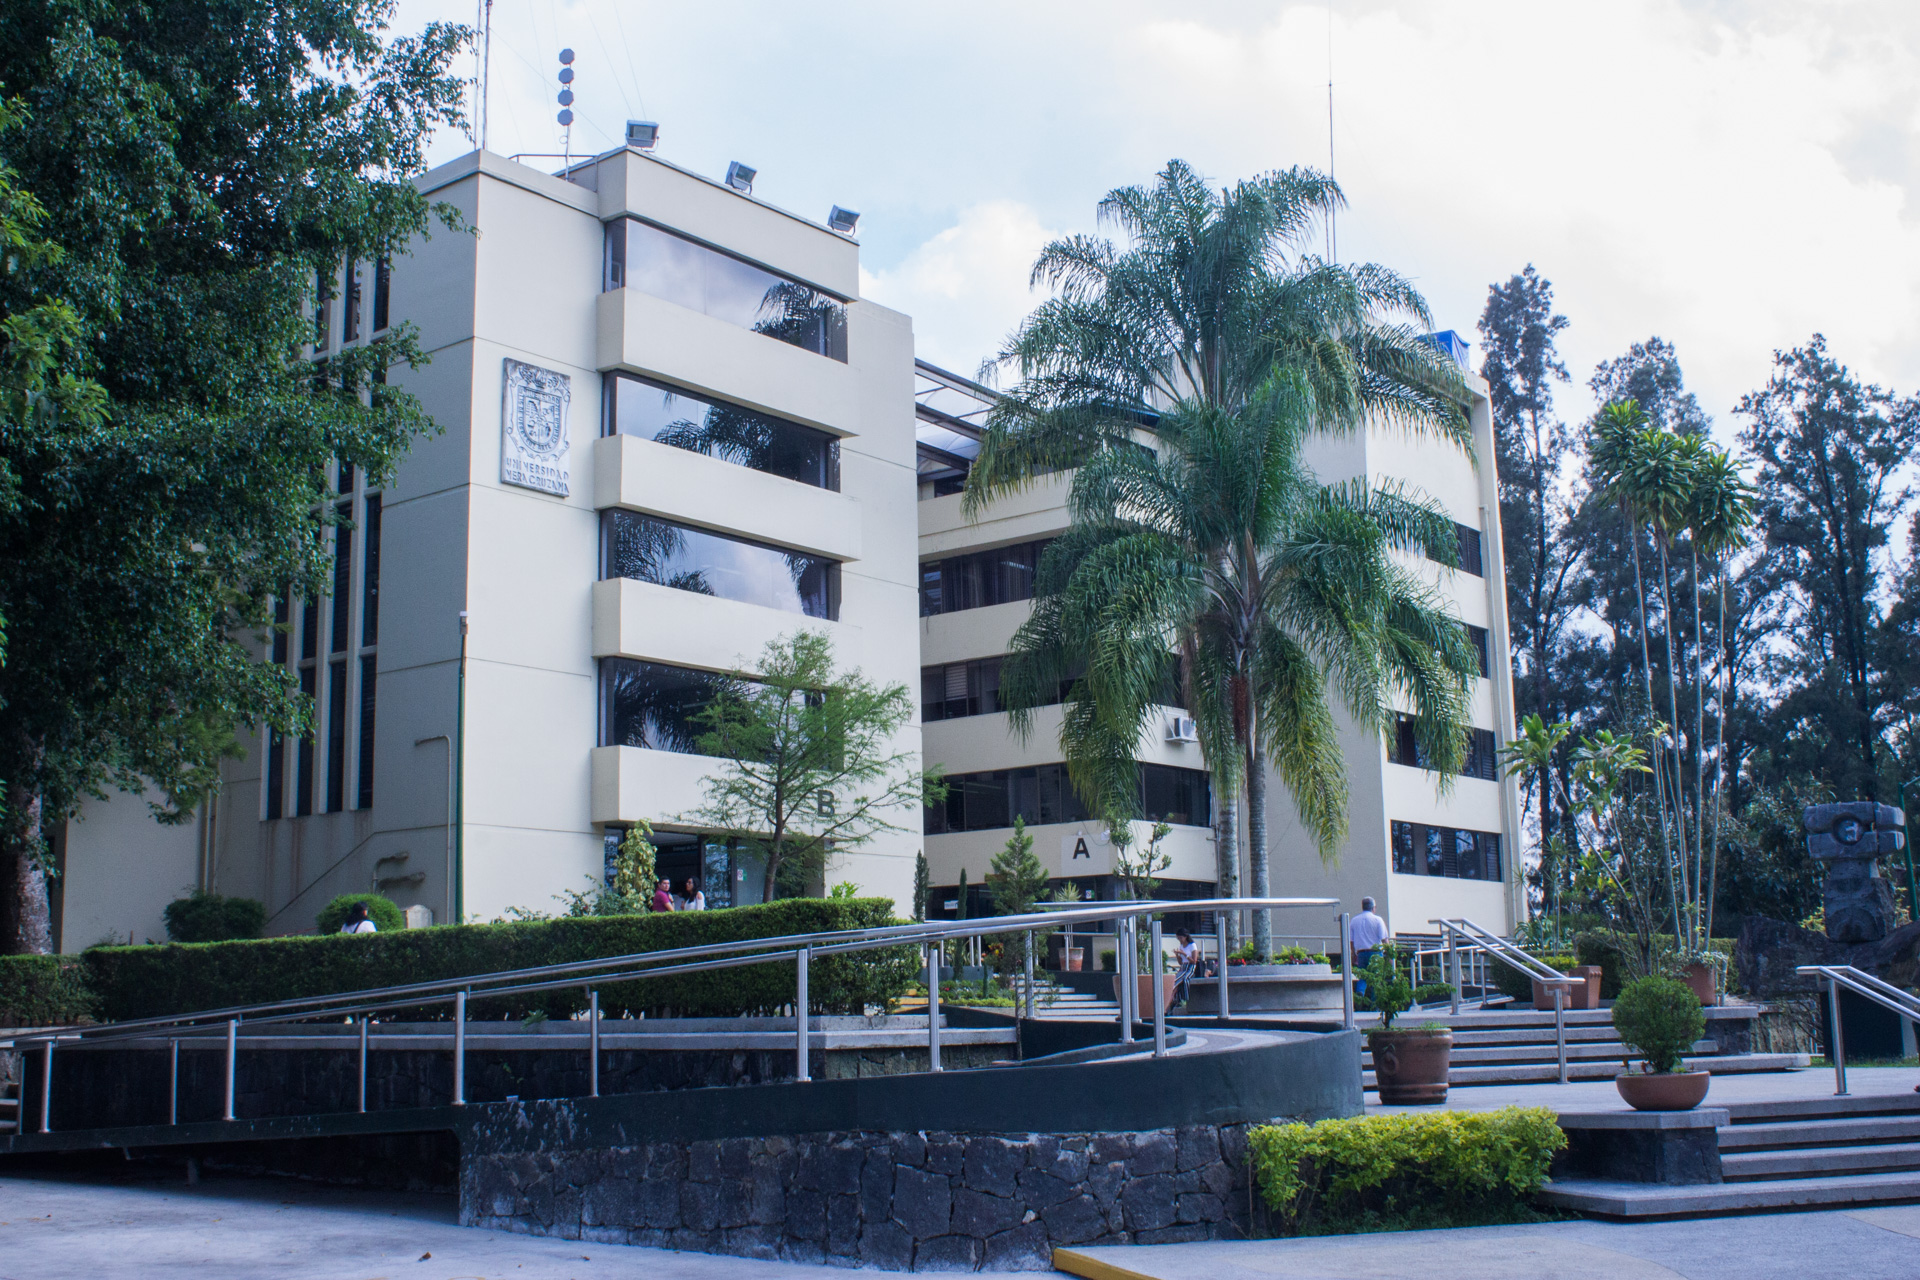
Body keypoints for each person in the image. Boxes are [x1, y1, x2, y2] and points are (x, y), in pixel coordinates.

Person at [1349, 897, 1388, 994]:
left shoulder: (1354, 920)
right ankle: (1375, 1005)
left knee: (1362, 976)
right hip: (1375, 953)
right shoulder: (1378, 920)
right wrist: (1389, 953)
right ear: (1373, 907)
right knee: (1376, 978)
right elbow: (1384, 938)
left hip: (1361, 953)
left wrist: (1353, 954)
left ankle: (1360, 993)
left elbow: (1351, 940)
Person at [1167, 929, 1203, 1013]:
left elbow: (1194, 961)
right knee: (1175, 983)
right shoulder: (1181, 946)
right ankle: (1174, 1002)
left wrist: (1184, 954)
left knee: (1182, 980)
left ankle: (1184, 999)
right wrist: (1177, 955)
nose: (1180, 940)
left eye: (1180, 938)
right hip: (1183, 967)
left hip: (1190, 967)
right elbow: (1180, 962)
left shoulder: (1192, 945)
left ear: (1185, 937)